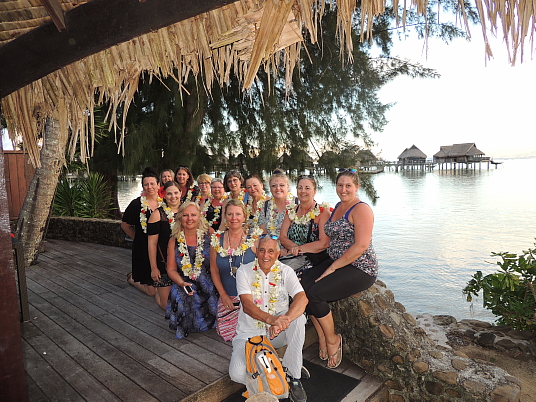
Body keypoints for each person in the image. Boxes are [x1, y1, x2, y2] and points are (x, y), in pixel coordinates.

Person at [301, 168, 378, 369]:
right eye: (340, 185)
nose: (343, 189)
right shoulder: (337, 207)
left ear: (357, 187)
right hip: (336, 260)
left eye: (348, 186)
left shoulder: (361, 209)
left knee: (316, 294)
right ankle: (322, 335)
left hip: (360, 267)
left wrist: (332, 268)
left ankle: (333, 338)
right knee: (303, 288)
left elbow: (360, 246)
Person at [229, 235, 308, 402]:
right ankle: (278, 369)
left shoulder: (286, 271)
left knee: (299, 319)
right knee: (236, 373)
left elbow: (302, 298)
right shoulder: (244, 271)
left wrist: (282, 321)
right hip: (249, 334)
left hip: (276, 335)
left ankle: (293, 376)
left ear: (278, 253)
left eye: (271, 251)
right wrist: (272, 320)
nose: (266, 255)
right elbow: (247, 305)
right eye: (262, 250)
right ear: (256, 252)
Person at [210, 199, 262, 341]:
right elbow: (214, 270)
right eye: (230, 214)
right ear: (225, 216)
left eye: (238, 214)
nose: (234, 218)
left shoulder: (254, 239)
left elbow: (264, 268)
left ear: (244, 217)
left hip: (252, 298)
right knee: (227, 333)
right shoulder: (216, 240)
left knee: (249, 333)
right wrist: (223, 295)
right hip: (228, 297)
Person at [165, 202, 218, 339]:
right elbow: (170, 269)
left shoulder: (209, 234)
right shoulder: (174, 240)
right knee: (181, 296)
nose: (189, 219)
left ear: (200, 216)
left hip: (207, 282)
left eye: (193, 215)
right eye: (185, 215)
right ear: (180, 218)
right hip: (183, 281)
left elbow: (217, 263)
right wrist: (182, 283)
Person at [122, 167, 162, 296]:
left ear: (158, 185)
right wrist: (138, 239)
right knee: (151, 292)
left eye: (152, 184)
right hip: (143, 249)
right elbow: (125, 225)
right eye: (146, 184)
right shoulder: (136, 204)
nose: (149, 187)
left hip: (161, 248)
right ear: (143, 186)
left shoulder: (165, 203)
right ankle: (132, 279)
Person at [279, 175, 331, 277]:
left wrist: (299, 249)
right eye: (300, 188)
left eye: (307, 188)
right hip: (292, 255)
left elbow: (324, 243)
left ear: (314, 191)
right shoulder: (291, 211)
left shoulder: (322, 212)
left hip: (314, 258)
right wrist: (293, 248)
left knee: (286, 273)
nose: (303, 191)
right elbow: (283, 237)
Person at [147, 180, 181, 310]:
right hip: (164, 262)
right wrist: (154, 268)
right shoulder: (157, 214)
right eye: (169, 194)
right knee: (166, 305)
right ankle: (157, 292)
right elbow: (152, 243)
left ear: (180, 193)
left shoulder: (186, 211)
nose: (173, 197)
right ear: (164, 195)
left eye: (176, 193)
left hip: (184, 261)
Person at [259, 170, 295, 238]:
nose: (278, 188)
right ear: (270, 188)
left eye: (282, 185)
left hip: (293, 246)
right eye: (274, 186)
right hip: (271, 246)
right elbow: (263, 232)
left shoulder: (297, 203)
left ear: (288, 186)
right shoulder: (265, 206)